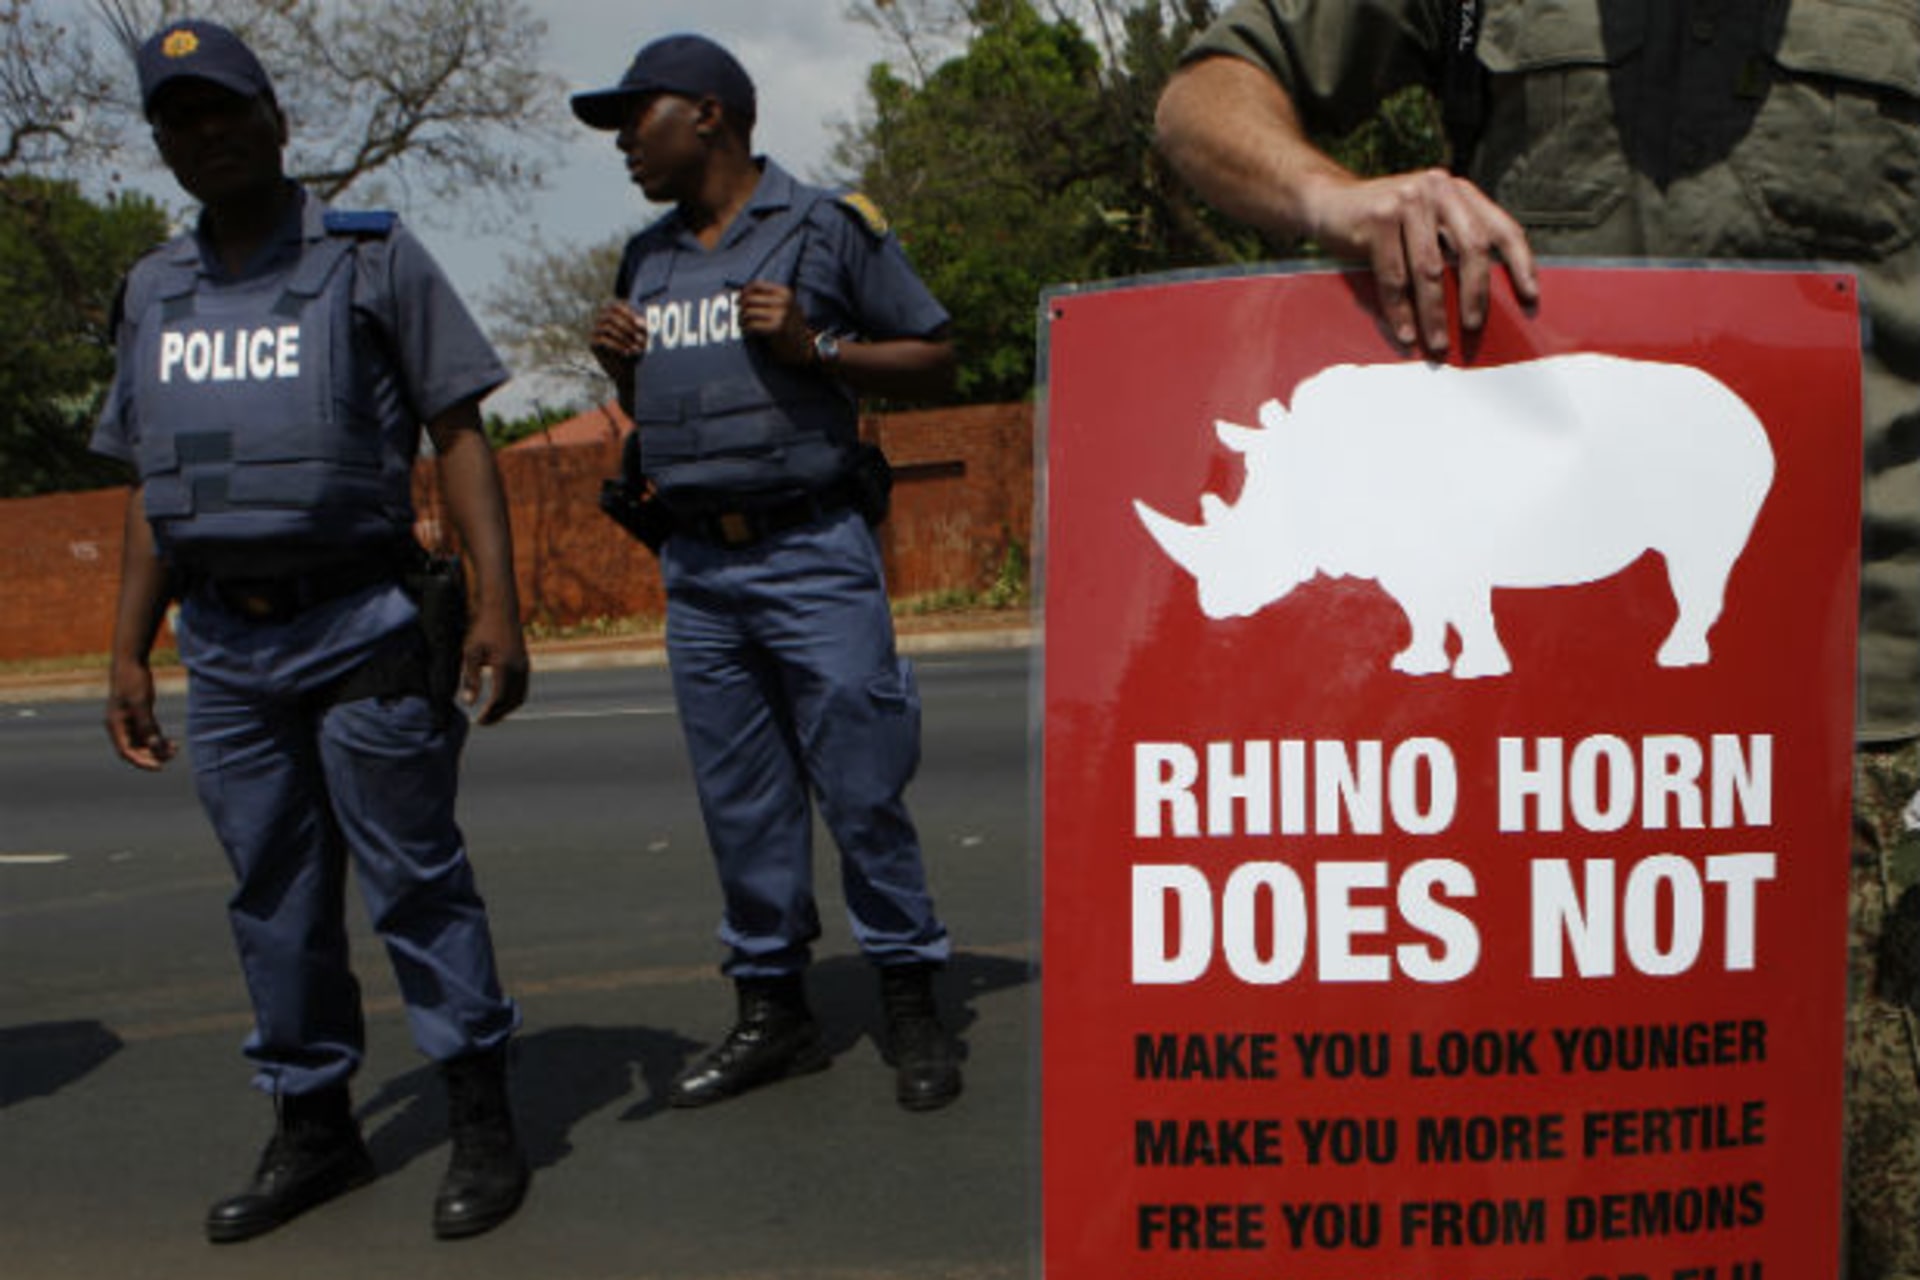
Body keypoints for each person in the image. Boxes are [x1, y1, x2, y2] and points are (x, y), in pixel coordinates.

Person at [1154, 3, 1920, 1276]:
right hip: (1548, 768)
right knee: (1572, 1200)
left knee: (1879, 1199)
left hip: (1868, 714)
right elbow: (1207, 95)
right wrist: (1337, 197)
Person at [93, 20, 532, 1242]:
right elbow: (146, 485)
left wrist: (498, 603)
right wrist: (128, 648)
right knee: (271, 897)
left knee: (414, 880)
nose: (206, 134)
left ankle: (480, 1107)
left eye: (225, 108)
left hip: (363, 623)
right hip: (225, 650)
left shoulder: (369, 258)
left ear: (277, 118)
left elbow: (458, 431)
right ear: (163, 146)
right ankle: (313, 1120)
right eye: (179, 119)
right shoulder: (152, 292)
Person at [573, 33, 964, 1113]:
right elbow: (660, 415)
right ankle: (773, 1010)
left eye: (633, 118)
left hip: (811, 551)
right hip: (700, 569)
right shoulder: (647, 257)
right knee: (741, 803)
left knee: (860, 785)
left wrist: (822, 351)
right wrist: (622, 372)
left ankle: (912, 995)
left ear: (708, 113)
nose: (620, 145)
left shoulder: (826, 227)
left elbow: (939, 353)